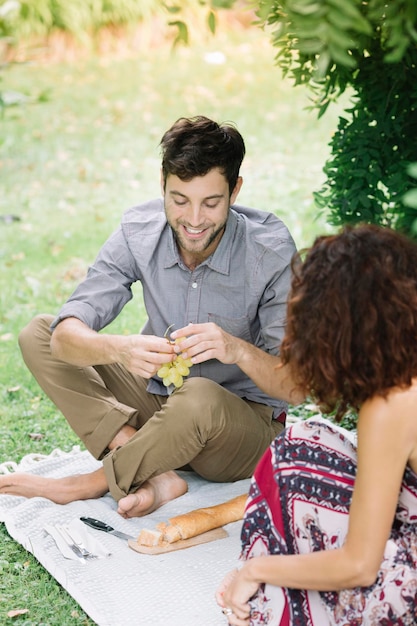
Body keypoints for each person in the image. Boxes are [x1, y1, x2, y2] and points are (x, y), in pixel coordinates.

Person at [1, 115, 301, 518]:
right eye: (180, 200)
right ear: (162, 183)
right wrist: (120, 349)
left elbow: (296, 388)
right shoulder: (139, 231)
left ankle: (92, 481)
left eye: (211, 203)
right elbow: (64, 334)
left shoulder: (271, 252)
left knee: (199, 395)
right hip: (160, 403)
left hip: (239, 432)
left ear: (235, 190)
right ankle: (155, 471)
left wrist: (236, 349)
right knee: (39, 333)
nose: (194, 220)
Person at [216, 223, 417, 625]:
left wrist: (257, 569)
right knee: (298, 445)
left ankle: (259, 597)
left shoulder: (393, 401)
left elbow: (360, 564)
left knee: (291, 472)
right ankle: (263, 584)